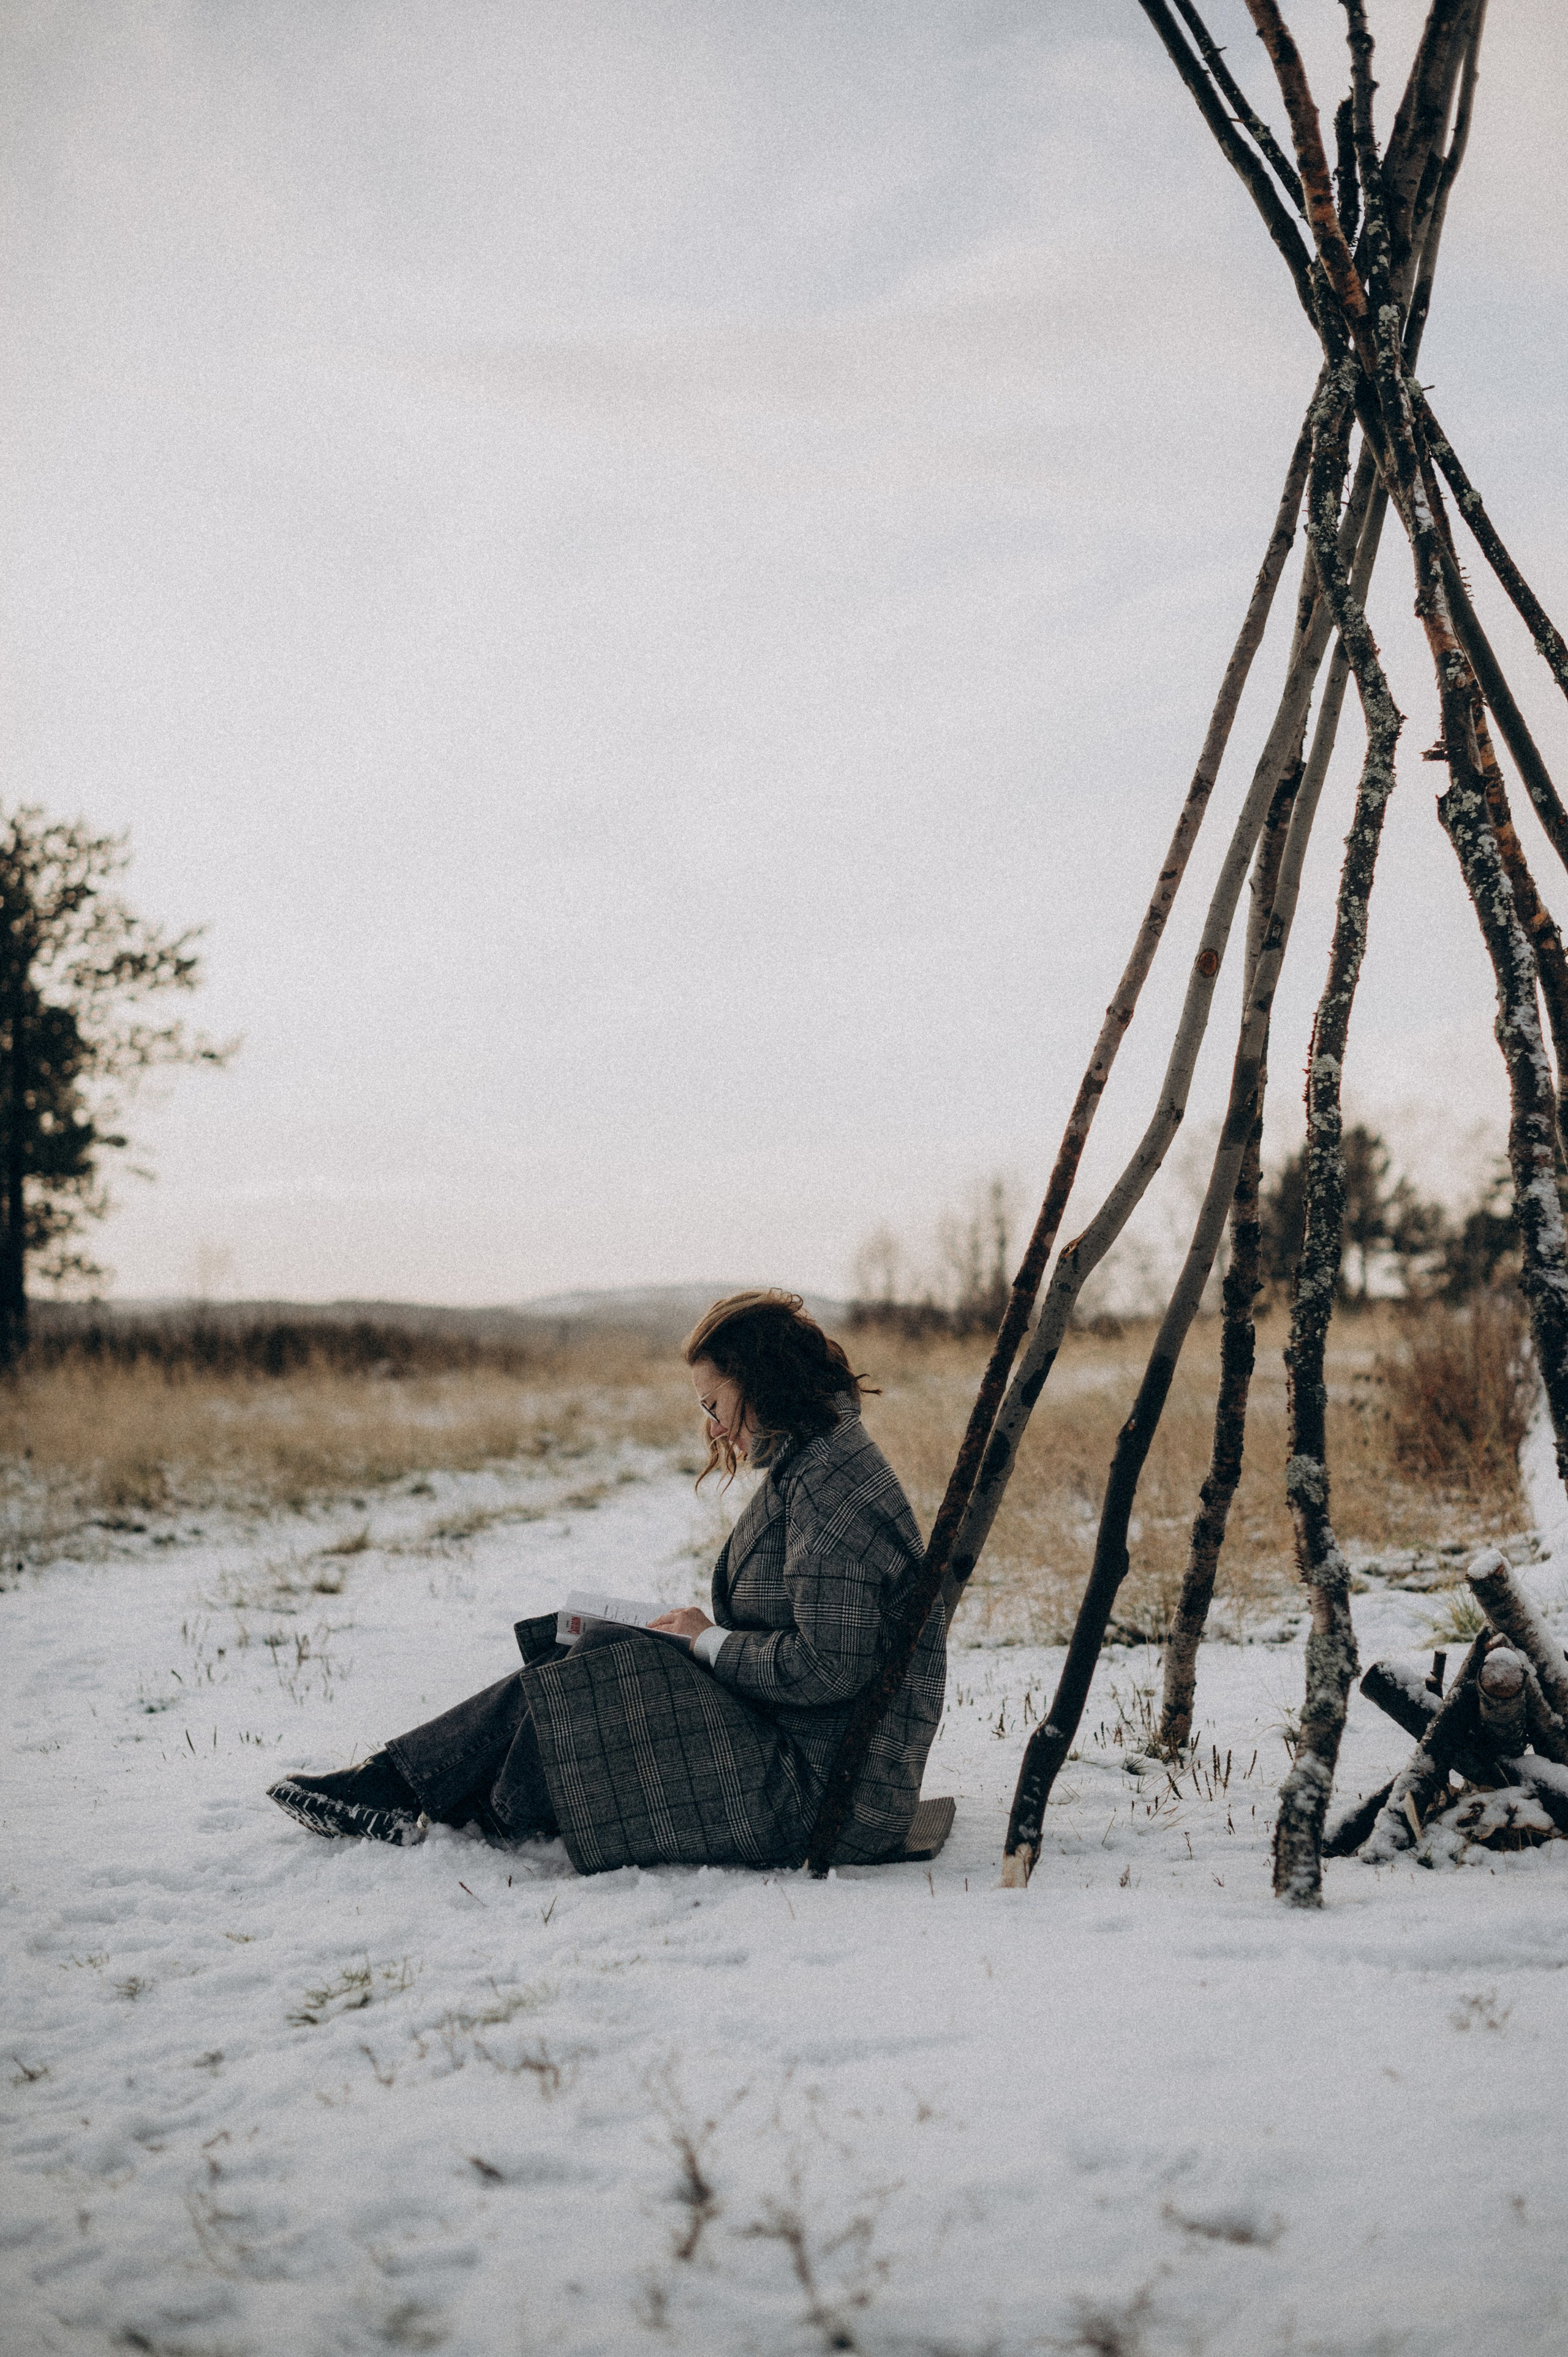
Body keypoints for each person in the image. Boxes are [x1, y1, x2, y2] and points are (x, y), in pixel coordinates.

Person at [266, 1291, 946, 1872]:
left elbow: (831, 1665)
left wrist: (709, 1642)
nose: (712, 1426)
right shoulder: (818, 1459)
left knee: (608, 1654)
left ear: (761, 1381)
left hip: (826, 1795)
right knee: (597, 1641)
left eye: (715, 1402)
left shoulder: (827, 1483)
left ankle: (406, 1787)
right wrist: (695, 1641)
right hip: (818, 1755)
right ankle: (415, 1787)